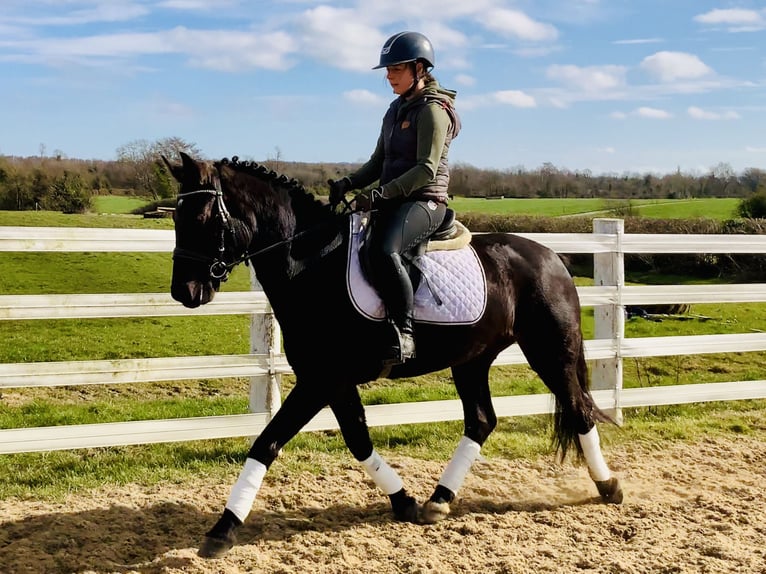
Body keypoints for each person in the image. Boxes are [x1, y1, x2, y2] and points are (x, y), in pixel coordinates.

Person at [329, 31, 461, 365]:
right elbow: (378, 163)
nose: (389, 76)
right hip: (394, 199)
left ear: (419, 68)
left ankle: (404, 333)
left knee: (385, 249)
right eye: (387, 70)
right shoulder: (394, 109)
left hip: (426, 201)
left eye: (396, 69)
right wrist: (347, 183)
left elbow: (426, 169)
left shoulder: (433, 111)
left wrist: (379, 194)